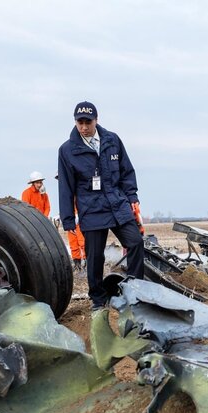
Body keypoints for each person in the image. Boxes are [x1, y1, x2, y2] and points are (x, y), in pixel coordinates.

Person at [57, 101, 144, 309]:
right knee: (95, 256)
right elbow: (66, 187)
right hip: (91, 208)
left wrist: (132, 197)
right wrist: (68, 218)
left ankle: (134, 291)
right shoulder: (67, 150)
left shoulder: (112, 140)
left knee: (135, 242)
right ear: (75, 122)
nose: (84, 127)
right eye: (80, 122)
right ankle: (98, 299)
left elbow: (126, 171)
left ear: (96, 120)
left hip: (117, 202)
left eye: (88, 122)